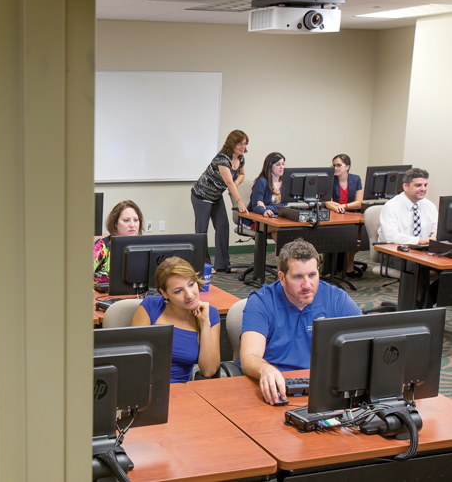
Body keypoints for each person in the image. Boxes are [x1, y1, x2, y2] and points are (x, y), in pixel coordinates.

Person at [239, 238, 362, 405]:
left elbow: (364, 344)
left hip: (323, 389)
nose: (307, 285)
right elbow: (249, 357)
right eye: (297, 277)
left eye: (312, 275)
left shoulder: (336, 298)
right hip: (275, 390)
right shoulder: (261, 302)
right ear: (281, 278)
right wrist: (265, 369)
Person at [131, 256, 221, 382]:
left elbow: (209, 370)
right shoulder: (151, 306)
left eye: (191, 284)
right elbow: (132, 360)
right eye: (178, 291)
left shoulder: (210, 314)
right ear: (165, 293)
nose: (189, 295)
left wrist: (205, 323)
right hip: (144, 385)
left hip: (181, 392)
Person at [377, 168, 438, 306]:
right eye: (418, 185)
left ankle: (424, 303)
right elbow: (391, 237)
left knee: (448, 271)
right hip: (394, 253)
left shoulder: (430, 206)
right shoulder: (392, 206)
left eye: (425, 185)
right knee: (419, 269)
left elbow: (436, 233)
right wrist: (419, 240)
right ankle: (423, 311)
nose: (423, 189)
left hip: (423, 253)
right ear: (405, 186)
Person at [191, 130, 248, 273]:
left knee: (223, 227)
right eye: (240, 143)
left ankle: (223, 264)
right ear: (232, 143)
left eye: (245, 144)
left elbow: (241, 174)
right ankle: (204, 265)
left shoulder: (241, 159)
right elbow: (228, 183)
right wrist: (239, 201)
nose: (243, 147)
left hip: (216, 196)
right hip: (201, 196)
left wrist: (237, 182)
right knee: (202, 231)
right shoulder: (222, 159)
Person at [325, 154, 364, 277]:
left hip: (351, 213)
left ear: (347, 167)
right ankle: (330, 267)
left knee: (356, 236)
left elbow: (359, 202)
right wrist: (336, 207)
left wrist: (344, 206)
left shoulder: (356, 179)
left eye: (338, 165)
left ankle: (349, 265)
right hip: (335, 214)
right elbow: (328, 202)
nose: (335, 168)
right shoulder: (330, 179)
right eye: (333, 165)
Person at [93, 200, 143, 285]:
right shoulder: (102, 246)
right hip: (104, 295)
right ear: (116, 223)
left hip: (136, 294)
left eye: (136, 220)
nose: (132, 225)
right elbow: (84, 272)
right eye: (126, 220)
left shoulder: (143, 246)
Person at [242, 152, 286, 243]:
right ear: (270, 166)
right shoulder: (261, 182)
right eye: (278, 164)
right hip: (257, 220)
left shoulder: (284, 183)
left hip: (276, 218)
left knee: (281, 234)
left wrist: (266, 207)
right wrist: (264, 209)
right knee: (281, 231)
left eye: (283, 164)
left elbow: (284, 205)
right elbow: (256, 206)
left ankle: (282, 257)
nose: (282, 167)